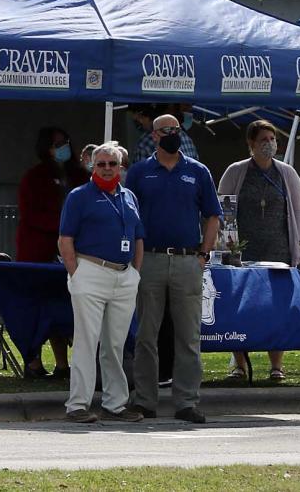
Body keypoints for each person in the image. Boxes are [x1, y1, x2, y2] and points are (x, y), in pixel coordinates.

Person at [124, 113, 222, 423]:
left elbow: (212, 216)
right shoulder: (139, 173)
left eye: (176, 129)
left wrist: (204, 253)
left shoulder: (198, 171)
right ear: (153, 136)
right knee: (146, 334)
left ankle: (186, 402)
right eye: (165, 130)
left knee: (188, 336)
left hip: (186, 260)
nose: (171, 134)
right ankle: (144, 400)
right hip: (149, 259)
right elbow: (128, 217)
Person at [58, 141, 145, 423]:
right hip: (91, 271)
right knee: (86, 340)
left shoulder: (129, 196)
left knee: (115, 344)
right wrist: (76, 273)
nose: (107, 169)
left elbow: (138, 237)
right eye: (101, 164)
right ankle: (78, 405)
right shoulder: (79, 196)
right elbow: (65, 239)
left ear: (121, 167)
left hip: (124, 275)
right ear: (92, 166)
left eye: (112, 164)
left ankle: (115, 404)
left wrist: (135, 272)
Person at [217, 120, 300, 382]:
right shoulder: (236, 171)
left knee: (277, 308)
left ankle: (276, 365)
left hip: (279, 252)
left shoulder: (287, 173)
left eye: (273, 139)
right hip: (243, 254)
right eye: (264, 139)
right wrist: (228, 248)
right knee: (240, 308)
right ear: (251, 144)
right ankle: (239, 365)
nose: (269, 144)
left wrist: (297, 248)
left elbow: (298, 214)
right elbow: (223, 210)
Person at [17, 126, 83, 378]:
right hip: (39, 252)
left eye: (64, 142)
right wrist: (64, 228)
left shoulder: (79, 176)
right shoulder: (33, 177)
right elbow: (30, 213)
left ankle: (63, 364)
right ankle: (32, 361)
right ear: (45, 148)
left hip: (73, 254)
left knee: (63, 308)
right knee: (37, 308)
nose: (61, 147)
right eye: (56, 144)